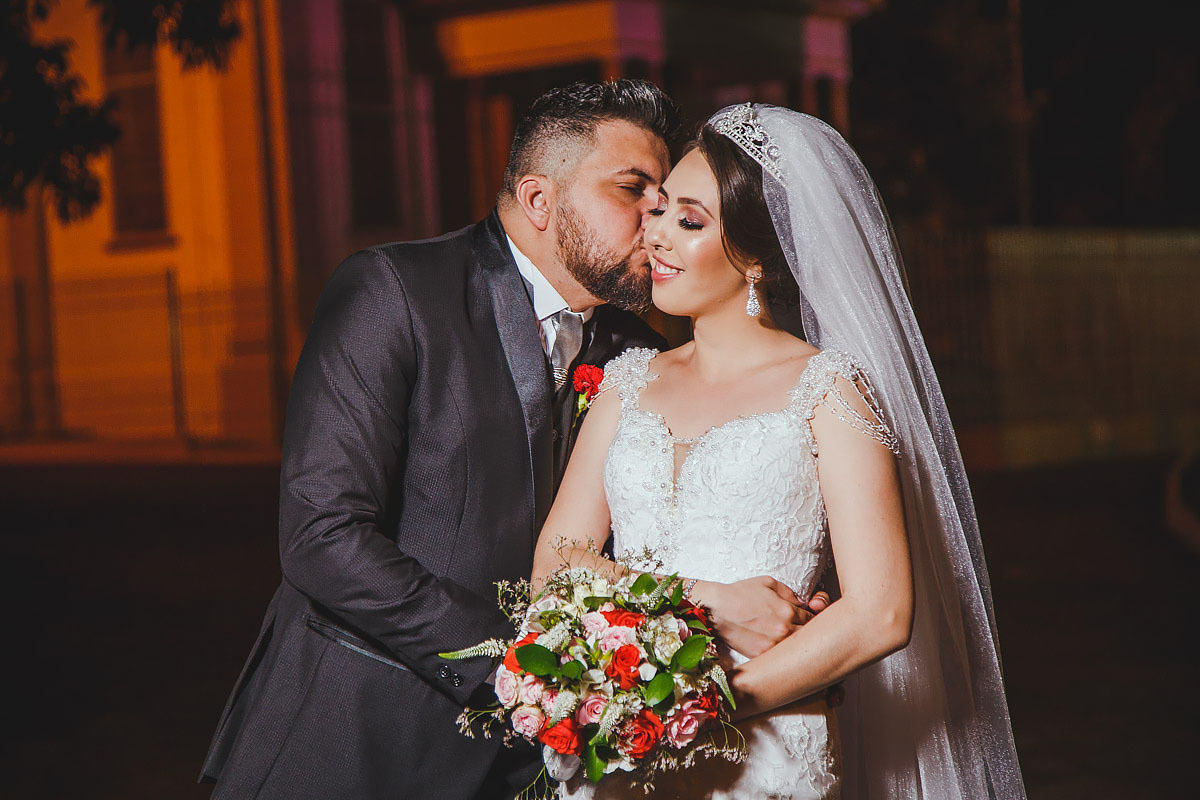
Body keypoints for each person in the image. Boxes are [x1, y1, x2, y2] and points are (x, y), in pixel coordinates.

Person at [200, 82, 813, 800]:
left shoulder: (638, 355)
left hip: (544, 764)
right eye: (633, 189)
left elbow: (646, 537)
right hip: (353, 739)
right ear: (539, 200)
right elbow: (323, 537)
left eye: (666, 195)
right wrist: (517, 664)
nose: (657, 215)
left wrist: (790, 608)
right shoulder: (393, 292)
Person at [533, 104, 1026, 798]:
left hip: (763, 752)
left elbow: (880, 613)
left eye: (690, 221)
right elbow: (555, 565)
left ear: (758, 257)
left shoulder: (829, 392)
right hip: (622, 752)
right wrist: (701, 604)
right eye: (660, 210)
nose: (657, 234)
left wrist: (701, 708)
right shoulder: (626, 382)